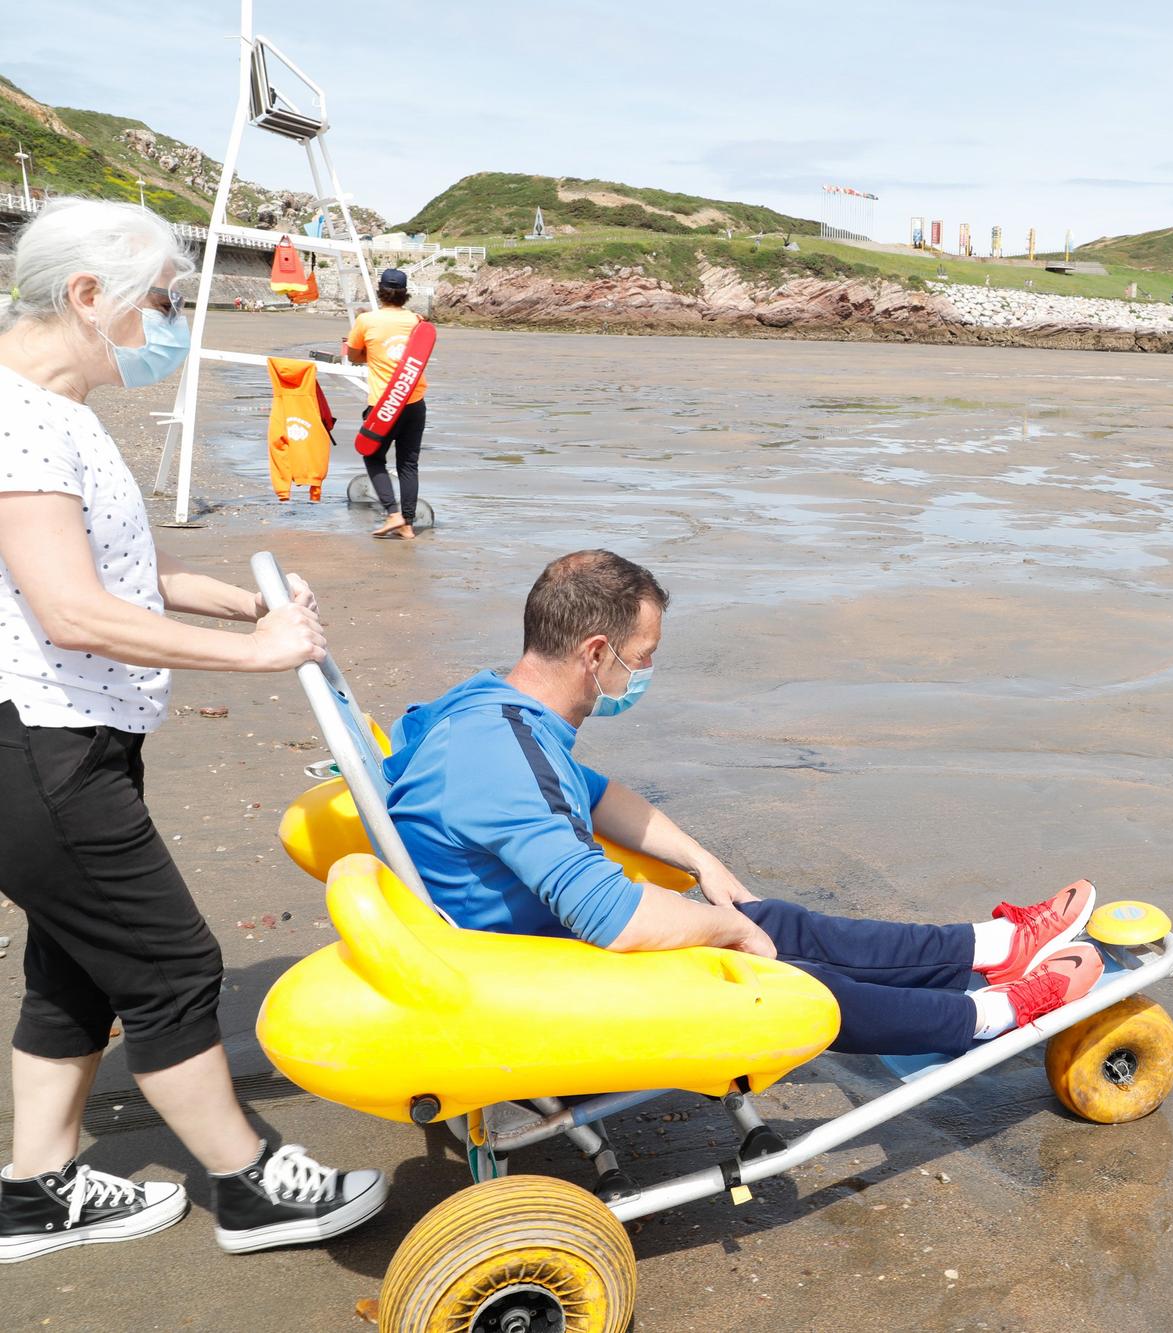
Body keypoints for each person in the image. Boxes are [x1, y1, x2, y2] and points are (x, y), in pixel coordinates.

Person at [0, 199, 384, 1262]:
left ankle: (35, 1189)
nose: (167, 324)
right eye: (159, 302)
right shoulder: (17, 418)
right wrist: (258, 655)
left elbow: (115, 572)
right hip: (38, 738)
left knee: (75, 968)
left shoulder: (56, 411)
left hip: (66, 736)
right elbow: (72, 610)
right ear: (88, 297)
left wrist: (232, 602)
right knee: (171, 965)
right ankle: (251, 1183)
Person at [383, 550, 1104, 1056]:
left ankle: (990, 949)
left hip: (518, 941)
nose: (646, 672)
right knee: (774, 966)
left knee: (771, 918)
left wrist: (703, 860)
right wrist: (727, 934)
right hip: (533, 976)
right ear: (596, 653)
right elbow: (612, 915)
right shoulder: (507, 760)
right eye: (645, 655)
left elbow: (594, 797)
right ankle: (994, 1013)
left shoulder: (489, 707)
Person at [345, 267, 427, 540]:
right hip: (414, 402)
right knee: (408, 464)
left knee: (372, 456)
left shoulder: (366, 321)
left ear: (381, 292)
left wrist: (375, 354)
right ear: (405, 295)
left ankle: (393, 513)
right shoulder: (418, 321)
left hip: (384, 405)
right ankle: (408, 524)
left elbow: (355, 356)